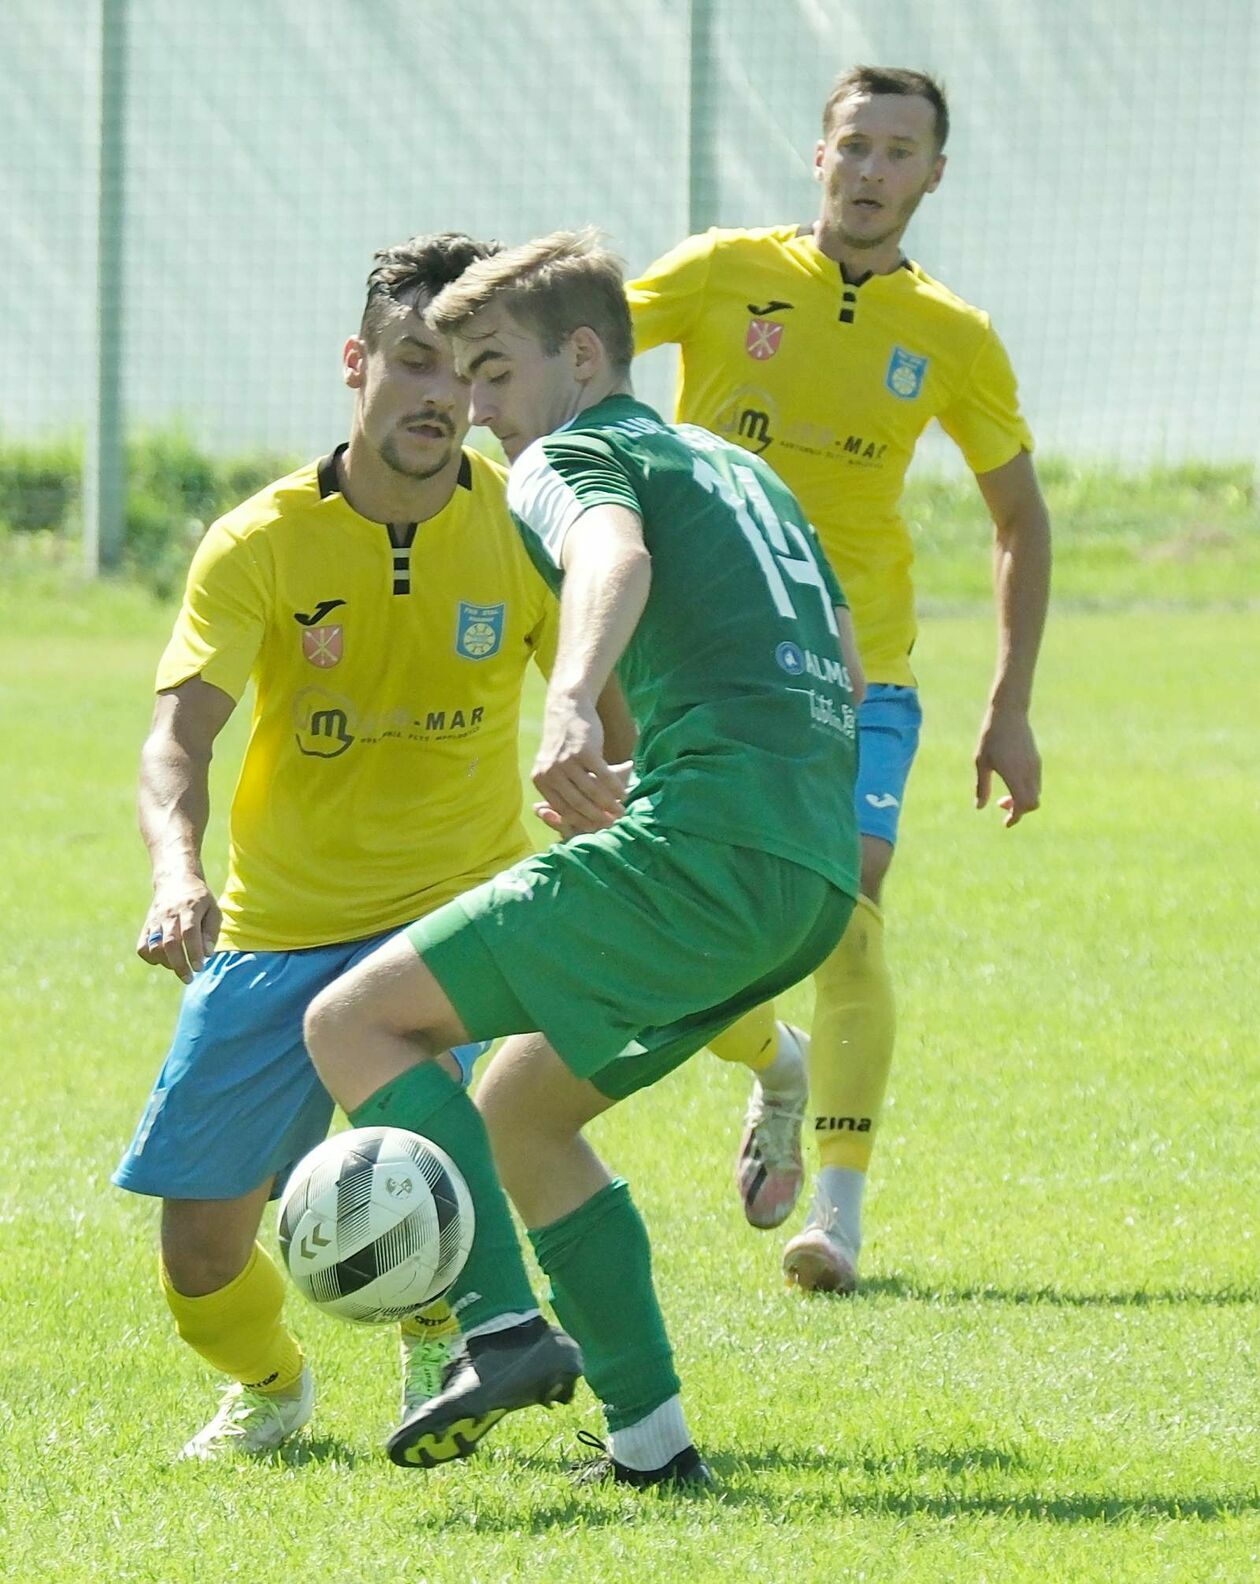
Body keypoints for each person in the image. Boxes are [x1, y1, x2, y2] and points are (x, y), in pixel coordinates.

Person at [302, 228, 863, 1488]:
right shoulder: (739, 468)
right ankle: (653, 1448)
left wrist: (572, 705)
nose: (478, 407)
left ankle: (498, 1332)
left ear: (584, 355)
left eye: (495, 372)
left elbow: (614, 554)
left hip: (707, 850)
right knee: (519, 1114)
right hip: (807, 874)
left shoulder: (573, 448)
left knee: (353, 1027)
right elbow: (844, 652)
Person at [113, 232, 577, 1460]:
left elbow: (614, 712)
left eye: (470, 372)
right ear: (356, 361)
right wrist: (178, 874)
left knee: (434, 1160)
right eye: (415, 362)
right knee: (200, 1264)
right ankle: (271, 1386)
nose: (442, 398)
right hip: (279, 929)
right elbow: (179, 739)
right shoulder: (260, 540)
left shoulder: (533, 528)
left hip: (456, 920)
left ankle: (453, 1327)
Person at [627, 65, 1052, 1292]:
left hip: (871, 672)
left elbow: (1020, 515)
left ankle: (843, 1216)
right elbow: (576, 348)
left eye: (899, 152)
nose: (872, 173)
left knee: (850, 911)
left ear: (933, 174)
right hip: (702, 663)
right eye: (855, 147)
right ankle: (777, 1063)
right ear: (819, 157)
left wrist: (1009, 704)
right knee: (694, 930)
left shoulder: (953, 338)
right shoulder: (720, 272)